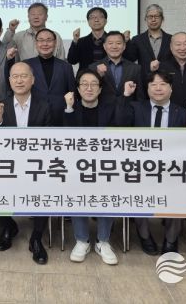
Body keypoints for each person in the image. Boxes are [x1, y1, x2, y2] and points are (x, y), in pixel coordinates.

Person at [64, 69, 130, 265]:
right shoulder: (70, 109)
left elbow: (120, 133)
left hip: (105, 166)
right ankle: (81, 240)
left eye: (94, 84)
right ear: (78, 89)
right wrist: (69, 108)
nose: (89, 88)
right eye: (84, 84)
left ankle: (103, 241)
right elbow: (64, 138)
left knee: (108, 191)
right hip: (76, 168)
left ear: (100, 89)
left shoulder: (110, 108)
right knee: (76, 191)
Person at [0, 62, 52, 264]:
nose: (19, 80)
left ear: (32, 80)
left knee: (46, 187)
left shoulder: (45, 105)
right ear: (9, 81)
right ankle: (8, 227)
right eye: (15, 76)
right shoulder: (0, 106)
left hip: (37, 165)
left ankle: (36, 237)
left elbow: (51, 141)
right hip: (8, 165)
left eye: (24, 76)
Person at [122, 71, 186, 255]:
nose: (158, 88)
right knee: (136, 189)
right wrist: (126, 96)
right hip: (140, 168)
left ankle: (171, 239)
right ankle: (144, 235)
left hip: (171, 169)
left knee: (179, 191)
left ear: (171, 88)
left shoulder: (182, 113)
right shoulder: (136, 108)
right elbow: (120, 124)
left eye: (163, 84)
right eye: (153, 85)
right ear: (147, 89)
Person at [23, 28, 75, 124]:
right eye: (41, 40)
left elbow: (72, 93)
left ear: (55, 43)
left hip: (60, 117)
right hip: (33, 116)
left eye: (49, 40)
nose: (45, 44)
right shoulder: (26, 65)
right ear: (36, 43)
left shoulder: (66, 67)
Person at [123, 4, 173, 89]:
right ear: (145, 19)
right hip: (144, 83)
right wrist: (125, 42)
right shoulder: (137, 39)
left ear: (162, 19)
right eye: (150, 17)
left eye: (156, 16)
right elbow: (130, 59)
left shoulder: (171, 39)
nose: (153, 19)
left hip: (165, 83)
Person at [90, 31, 143, 102]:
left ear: (124, 46)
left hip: (128, 108)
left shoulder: (135, 68)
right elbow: (90, 94)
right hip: (102, 108)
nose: (114, 47)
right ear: (104, 46)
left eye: (118, 43)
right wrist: (98, 76)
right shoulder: (93, 68)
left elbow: (140, 97)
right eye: (110, 43)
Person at [67, 6, 108, 72]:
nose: (96, 20)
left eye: (100, 17)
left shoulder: (113, 40)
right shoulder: (81, 41)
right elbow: (72, 60)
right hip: (85, 77)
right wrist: (75, 40)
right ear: (88, 22)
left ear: (105, 21)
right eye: (92, 17)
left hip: (109, 77)